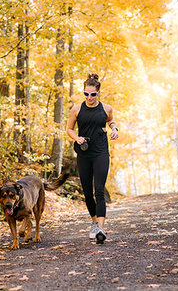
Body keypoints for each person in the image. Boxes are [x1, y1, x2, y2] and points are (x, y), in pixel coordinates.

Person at [66, 73, 119, 244]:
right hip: (84, 153)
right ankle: (94, 223)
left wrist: (114, 129)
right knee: (88, 193)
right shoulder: (76, 109)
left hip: (101, 152)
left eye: (93, 94)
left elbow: (111, 121)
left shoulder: (106, 108)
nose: (89, 97)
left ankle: (101, 229)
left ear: (98, 93)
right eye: (86, 94)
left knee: (99, 191)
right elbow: (69, 129)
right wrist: (77, 138)